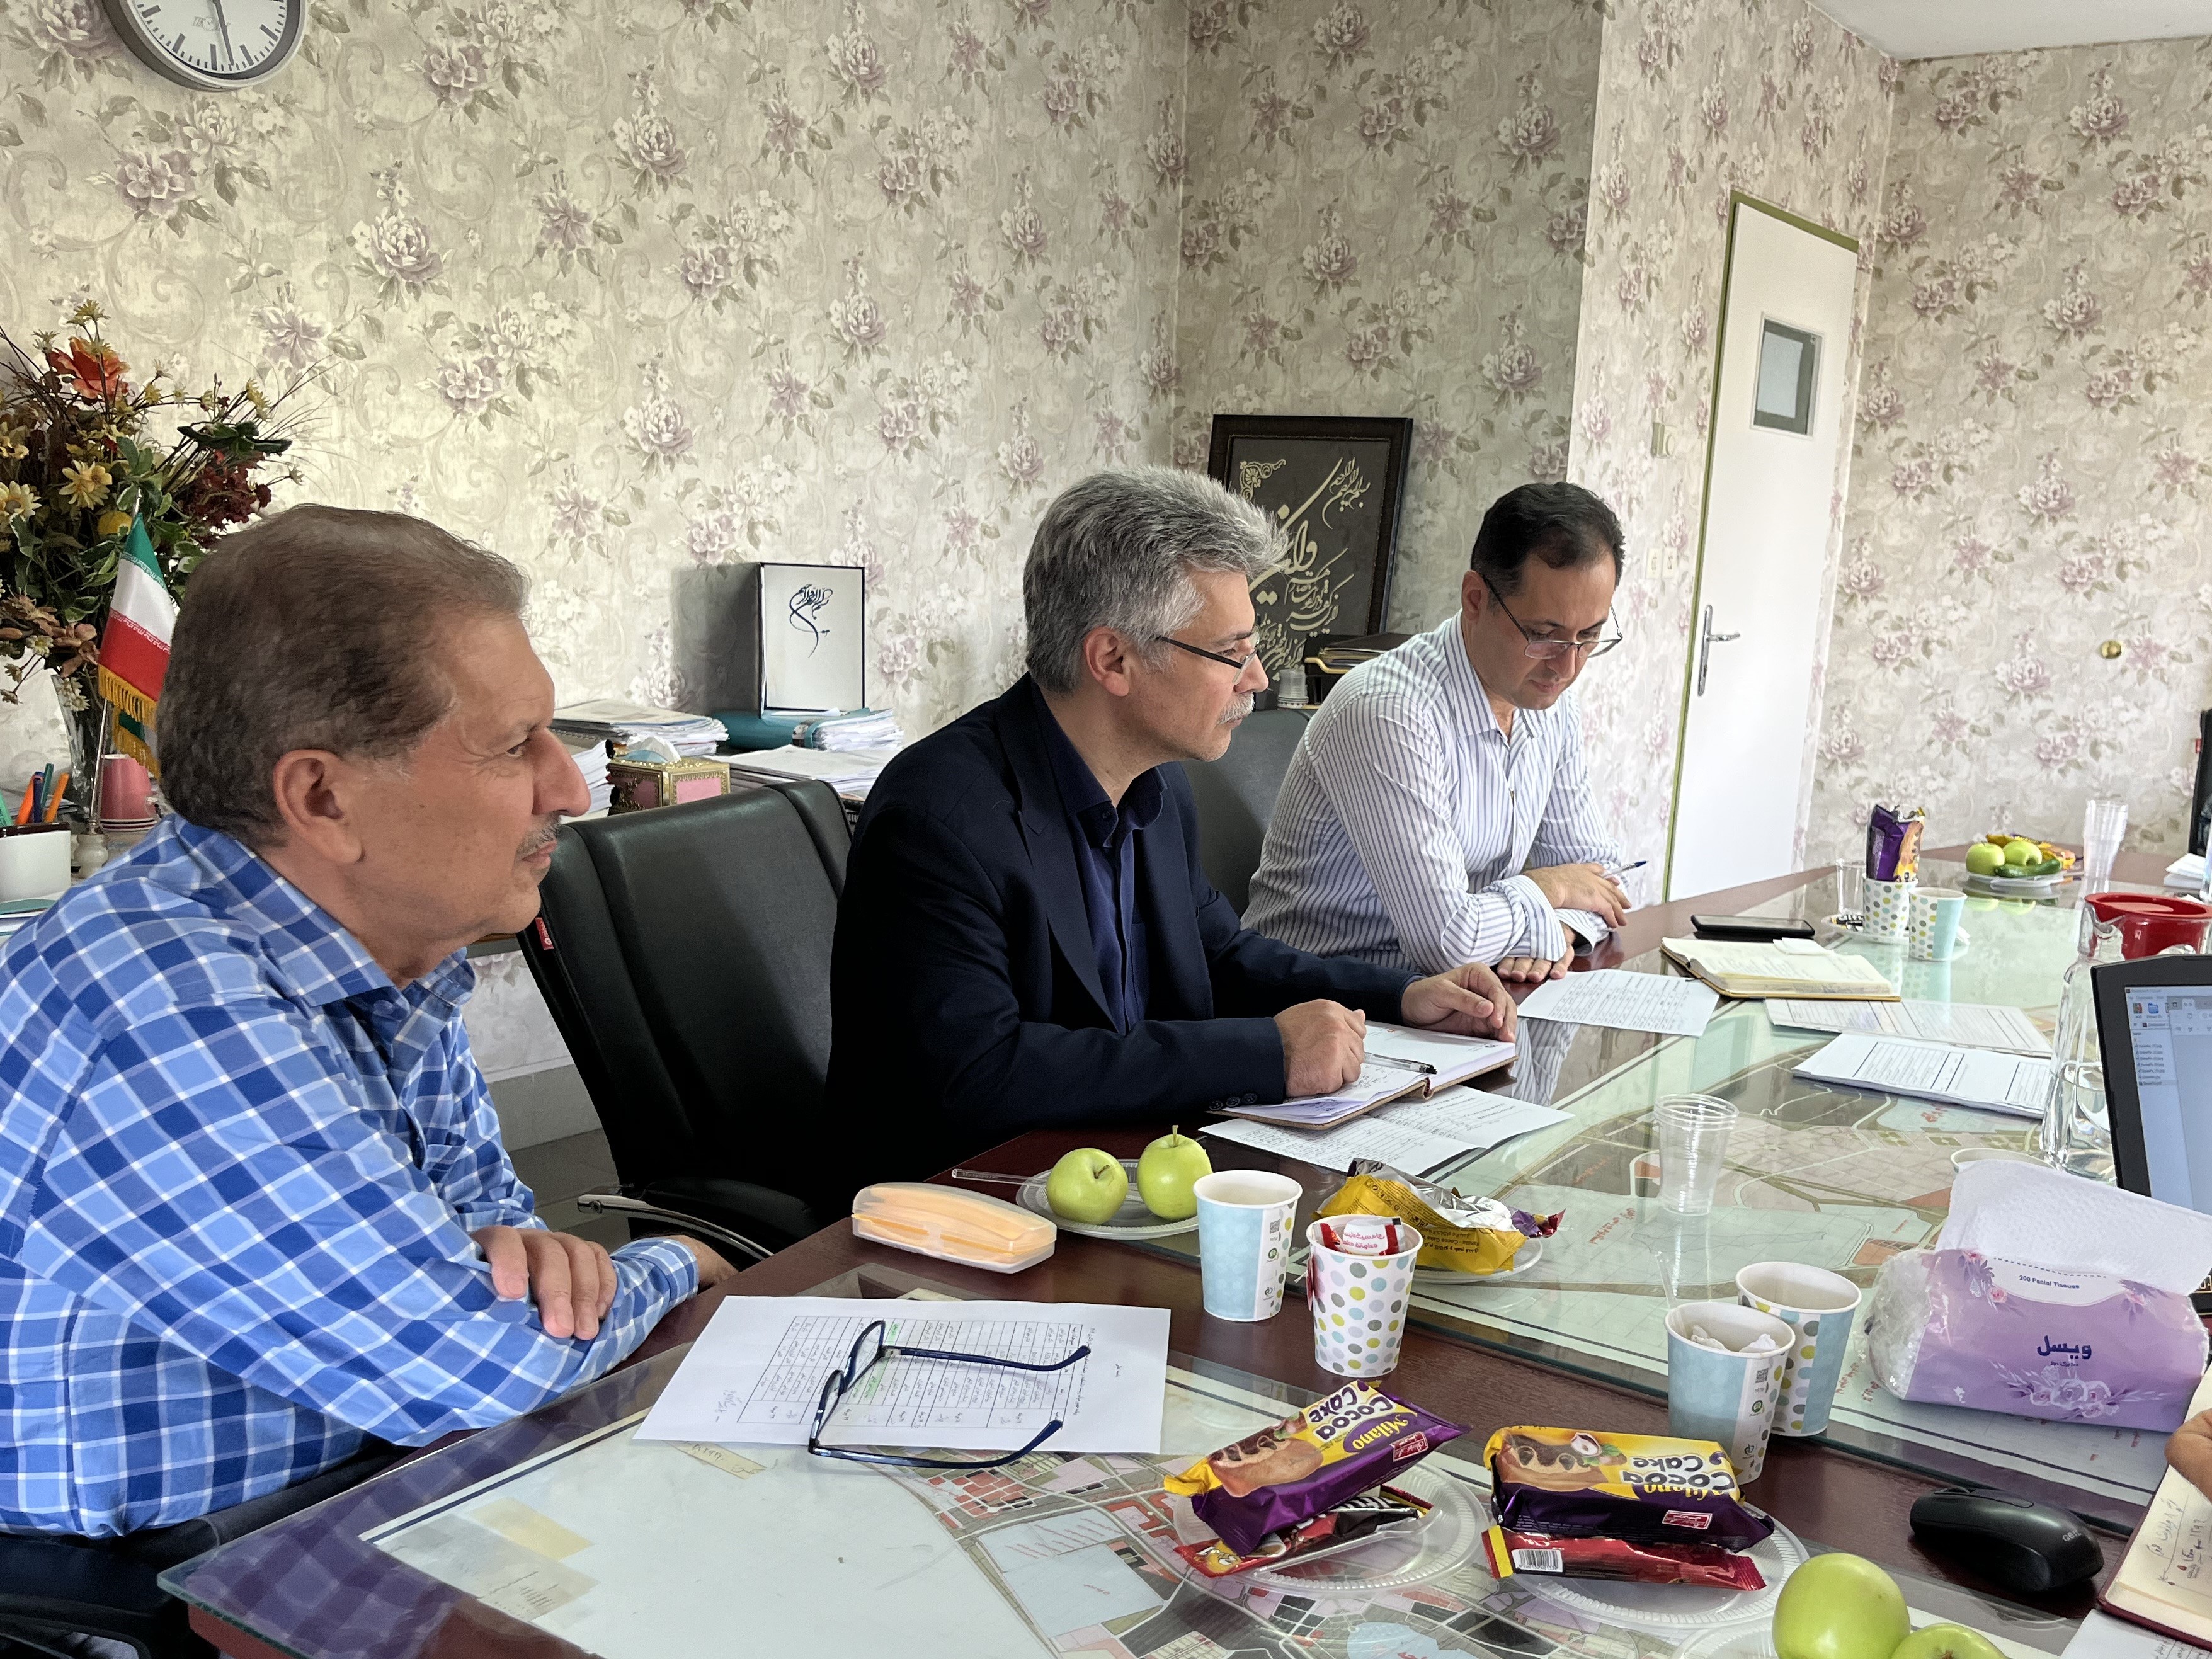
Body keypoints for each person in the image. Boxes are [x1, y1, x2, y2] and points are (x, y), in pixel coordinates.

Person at [0, 506, 734, 1538]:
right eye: (514, 746)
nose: (570, 787)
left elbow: (513, 1255)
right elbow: (487, 1360)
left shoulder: (390, 947)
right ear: (322, 799)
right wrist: (681, 1256)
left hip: (378, 1485)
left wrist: (510, 1276)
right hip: (167, 1574)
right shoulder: (159, 997)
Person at [826, 467, 1516, 1182]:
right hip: (960, 1209)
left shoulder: (1156, 782)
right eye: (1231, 652)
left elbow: (1218, 956)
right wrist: (1266, 1054)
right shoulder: (938, 821)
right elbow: (978, 1075)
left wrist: (1400, 995)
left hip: (1128, 1171)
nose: (1256, 678)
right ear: (1113, 659)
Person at [1245, 481, 1631, 984]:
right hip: (1326, 997)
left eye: (1590, 636)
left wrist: (1557, 927)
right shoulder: (1389, 713)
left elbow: (1603, 878)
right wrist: (1550, 890)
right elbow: (1447, 942)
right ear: (1476, 599)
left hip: (1455, 992)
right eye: (1543, 635)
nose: (1568, 665)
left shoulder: (1548, 703)